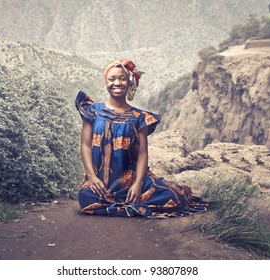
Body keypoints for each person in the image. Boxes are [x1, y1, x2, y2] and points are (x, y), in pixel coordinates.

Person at [75, 60, 208, 218]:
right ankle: (130, 206)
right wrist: (91, 177)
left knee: (174, 198)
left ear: (130, 82)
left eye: (122, 78)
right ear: (106, 82)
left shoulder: (140, 118)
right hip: (100, 184)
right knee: (86, 198)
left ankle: (136, 199)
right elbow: (85, 145)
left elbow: (142, 154)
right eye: (112, 79)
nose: (117, 83)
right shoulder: (92, 111)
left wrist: (138, 184)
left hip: (130, 180)